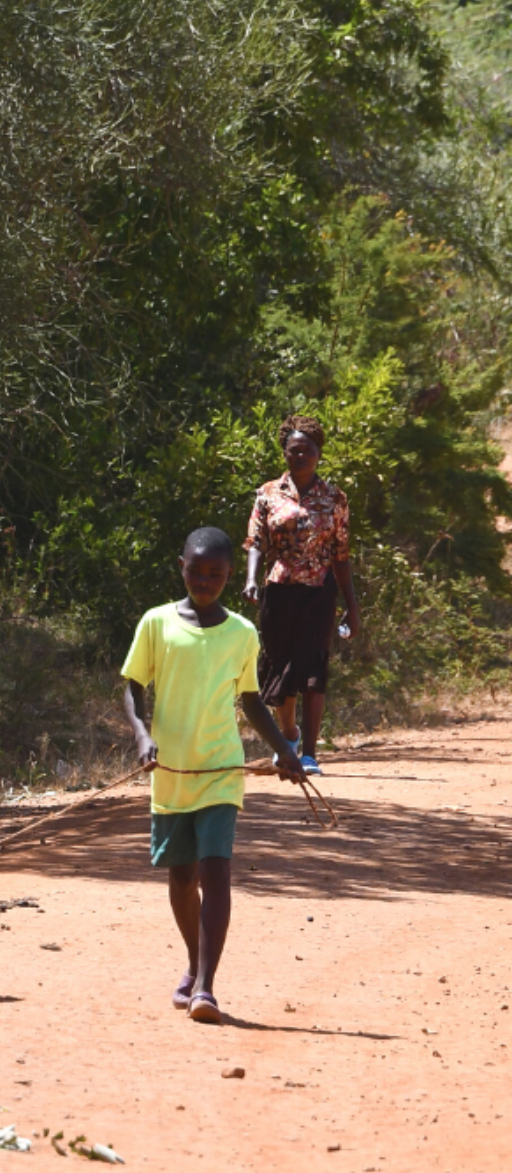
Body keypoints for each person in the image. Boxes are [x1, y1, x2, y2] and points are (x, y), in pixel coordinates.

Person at [122, 526, 304, 1024]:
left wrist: (284, 750)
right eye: (196, 571)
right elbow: (133, 687)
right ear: (180, 565)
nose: (205, 581)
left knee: (216, 868)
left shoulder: (243, 633)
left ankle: (205, 986)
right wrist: (142, 736)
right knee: (182, 876)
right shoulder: (156, 623)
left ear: (230, 575)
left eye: (217, 574)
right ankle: (193, 960)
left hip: (221, 767)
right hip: (171, 770)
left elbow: (250, 700)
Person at [243, 414, 361, 775]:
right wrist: (251, 579)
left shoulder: (335, 499)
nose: (300, 456)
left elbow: (341, 556)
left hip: (318, 593)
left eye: (307, 450)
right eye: (294, 450)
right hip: (279, 591)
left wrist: (352, 607)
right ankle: (288, 736)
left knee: (312, 669)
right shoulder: (267, 494)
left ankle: (309, 754)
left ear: (318, 453)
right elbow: (256, 542)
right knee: (280, 666)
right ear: (285, 453)